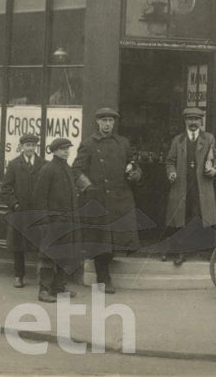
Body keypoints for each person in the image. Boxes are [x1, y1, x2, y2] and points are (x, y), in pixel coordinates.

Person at [72, 107, 142, 294]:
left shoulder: (123, 143)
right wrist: (88, 187)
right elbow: (77, 170)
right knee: (100, 240)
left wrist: (134, 173)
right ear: (97, 122)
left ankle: (108, 267)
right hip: (98, 198)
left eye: (110, 121)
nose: (107, 124)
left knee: (116, 237)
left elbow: (133, 165)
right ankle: (104, 279)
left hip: (120, 197)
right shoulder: (88, 144)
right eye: (104, 121)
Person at [164, 107, 216, 265]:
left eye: (196, 119)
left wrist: (214, 170)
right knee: (181, 217)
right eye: (190, 119)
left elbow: (214, 159)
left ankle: (208, 251)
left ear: (200, 121)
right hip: (182, 185)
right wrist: (171, 172)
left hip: (201, 185)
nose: (193, 122)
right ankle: (181, 252)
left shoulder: (208, 138)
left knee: (203, 216)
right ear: (185, 121)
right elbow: (170, 161)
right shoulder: (178, 140)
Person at [32, 137, 80, 303]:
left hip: (67, 220)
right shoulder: (48, 169)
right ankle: (43, 290)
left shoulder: (67, 168)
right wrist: (44, 221)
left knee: (64, 255)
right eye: (62, 149)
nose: (66, 151)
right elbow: (39, 197)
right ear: (54, 151)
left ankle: (59, 288)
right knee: (48, 256)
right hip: (53, 221)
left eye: (68, 148)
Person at [0, 132, 45, 288]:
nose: (30, 148)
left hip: (38, 213)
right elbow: (5, 188)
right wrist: (15, 205)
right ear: (22, 147)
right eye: (27, 145)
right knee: (18, 246)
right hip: (20, 213)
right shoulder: (14, 164)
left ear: (36, 147)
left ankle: (42, 276)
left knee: (41, 245)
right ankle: (18, 276)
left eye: (33, 145)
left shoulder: (43, 164)